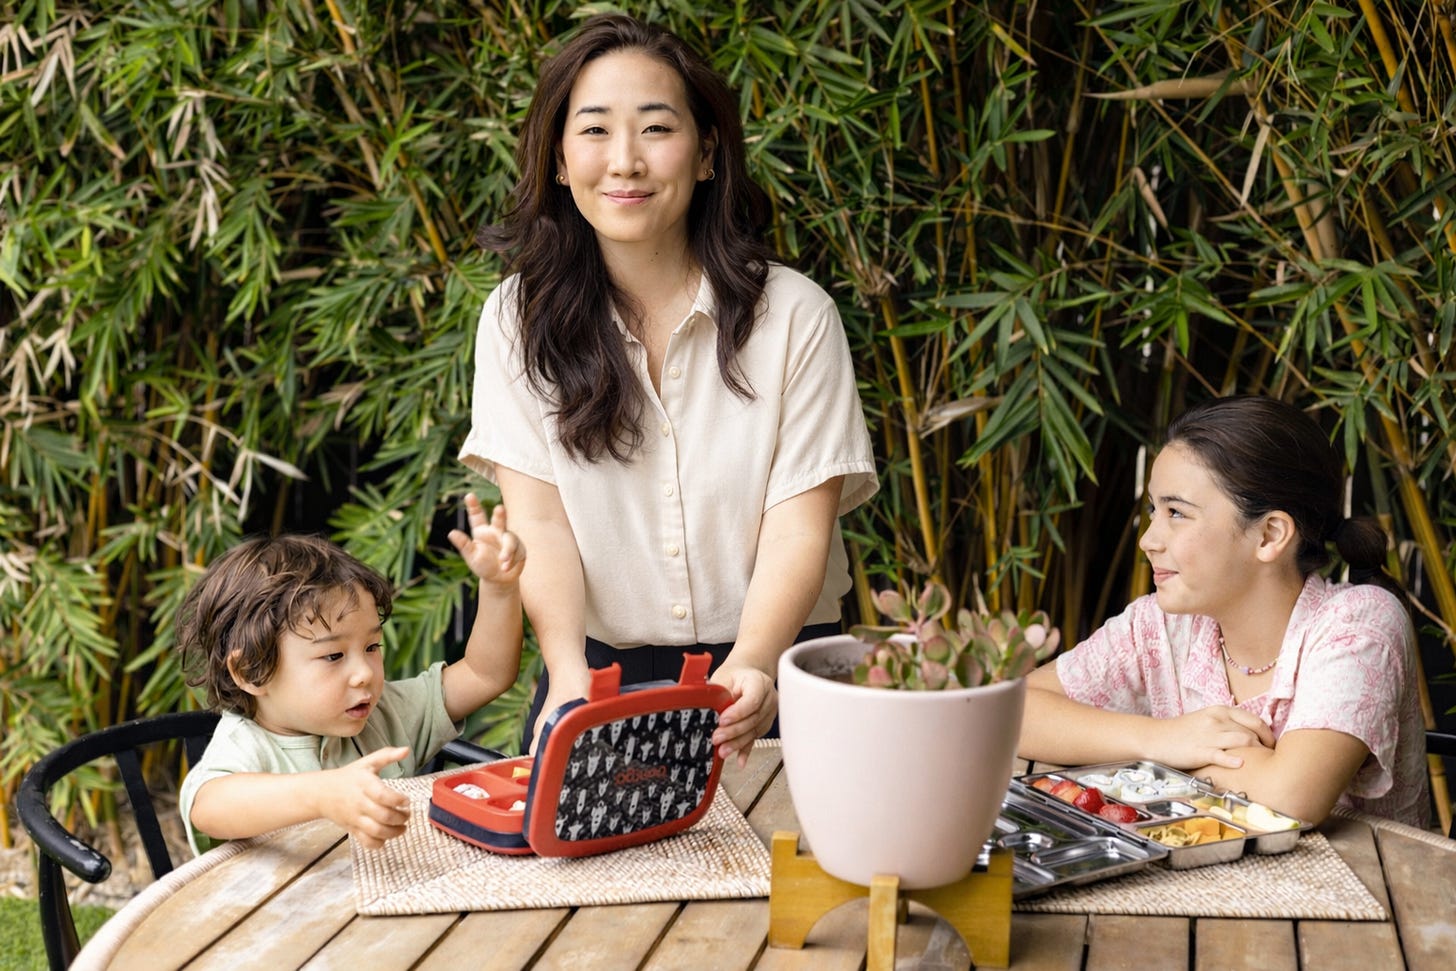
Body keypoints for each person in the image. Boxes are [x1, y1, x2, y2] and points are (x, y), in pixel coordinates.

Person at [459, 14, 878, 763]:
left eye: (656, 128)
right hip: (598, 679)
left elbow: (797, 527)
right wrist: (565, 676)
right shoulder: (515, 321)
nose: (625, 161)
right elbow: (542, 527)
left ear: (708, 152)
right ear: (558, 160)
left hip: (781, 666)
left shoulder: (794, 315)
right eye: (593, 131)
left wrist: (752, 660)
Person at [1019, 395, 1429, 827]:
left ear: (1270, 535)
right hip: (1202, 882)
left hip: (1357, 887)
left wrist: (1155, 765)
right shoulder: (1160, 626)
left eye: (1177, 513)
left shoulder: (1357, 622)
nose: (1148, 540)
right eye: (1153, 511)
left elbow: (1291, 799)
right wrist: (1162, 740)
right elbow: (1014, 714)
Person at [177, 494, 525, 854]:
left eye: (372, 647)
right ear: (251, 670)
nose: (363, 674)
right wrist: (325, 794)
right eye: (333, 655)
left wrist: (499, 589)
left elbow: (487, 674)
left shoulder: (385, 714)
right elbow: (209, 806)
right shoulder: (247, 745)